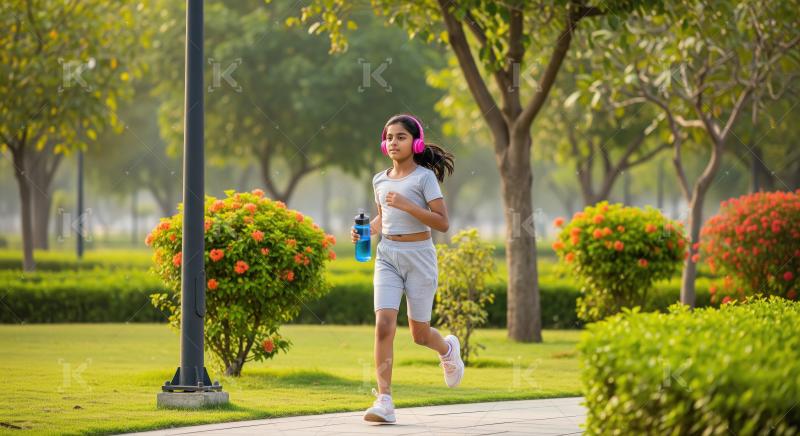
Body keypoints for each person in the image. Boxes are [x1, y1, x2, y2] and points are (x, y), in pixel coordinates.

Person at [350, 114, 461, 424]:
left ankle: (447, 349)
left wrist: (408, 205)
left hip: (419, 256)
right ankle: (384, 400)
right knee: (384, 325)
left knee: (419, 335)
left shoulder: (424, 178)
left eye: (401, 137)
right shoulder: (379, 179)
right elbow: (383, 218)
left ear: (416, 143)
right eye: (389, 137)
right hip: (387, 255)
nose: (393, 142)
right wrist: (366, 231)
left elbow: (442, 222)